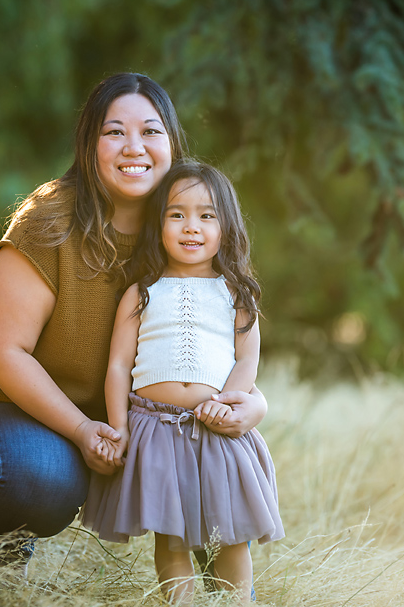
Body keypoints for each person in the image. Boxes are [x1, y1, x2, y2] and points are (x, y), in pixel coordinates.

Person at [0, 73, 269, 566]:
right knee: (44, 481)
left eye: (150, 131)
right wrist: (82, 430)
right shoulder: (49, 221)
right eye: (114, 132)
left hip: (137, 418)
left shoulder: (180, 225)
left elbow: (216, 336)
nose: (133, 147)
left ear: (171, 144)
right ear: (89, 144)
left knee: (215, 478)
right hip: (18, 407)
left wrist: (253, 403)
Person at [79, 160, 284, 605]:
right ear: (159, 224)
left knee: (228, 535)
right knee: (170, 539)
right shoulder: (143, 291)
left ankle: (237, 602)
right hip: (154, 430)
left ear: (226, 228)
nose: (192, 227)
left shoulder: (236, 293)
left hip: (217, 430)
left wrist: (231, 404)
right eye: (177, 214)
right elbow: (118, 366)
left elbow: (248, 358)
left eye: (207, 216)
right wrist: (120, 426)